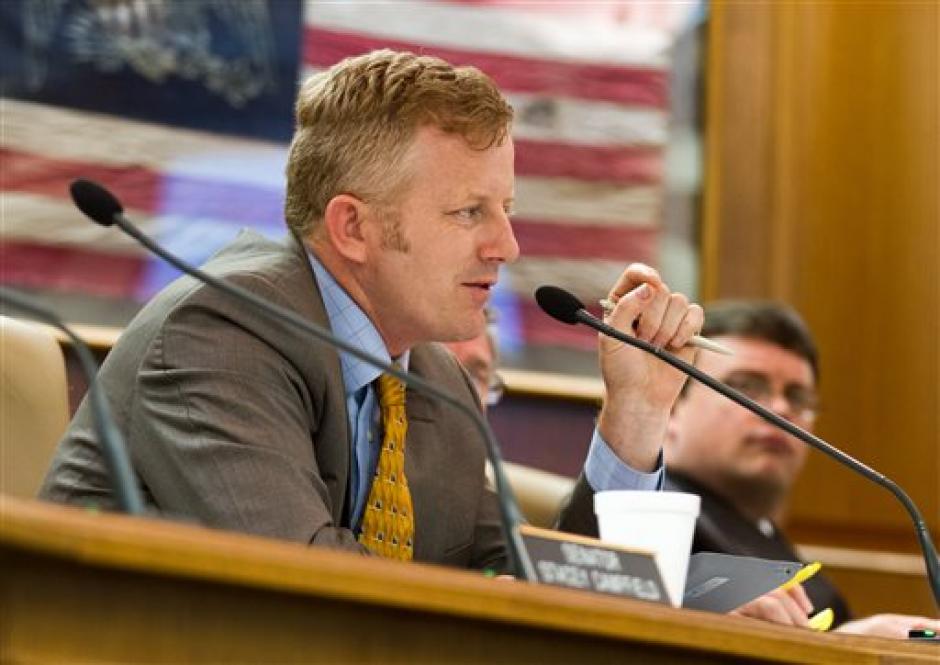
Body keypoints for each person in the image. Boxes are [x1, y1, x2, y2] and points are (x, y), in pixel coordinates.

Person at [40, 49, 803, 623]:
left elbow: (533, 586)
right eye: (469, 212)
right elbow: (310, 591)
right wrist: (508, 597)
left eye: (505, 209)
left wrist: (634, 416)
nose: (506, 246)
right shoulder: (221, 331)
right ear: (353, 226)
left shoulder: (429, 376)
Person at [663, 300, 940, 638]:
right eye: (746, 386)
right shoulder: (645, 517)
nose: (781, 408)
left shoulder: (765, 536)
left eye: (797, 397)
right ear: (672, 406)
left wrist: (856, 638)